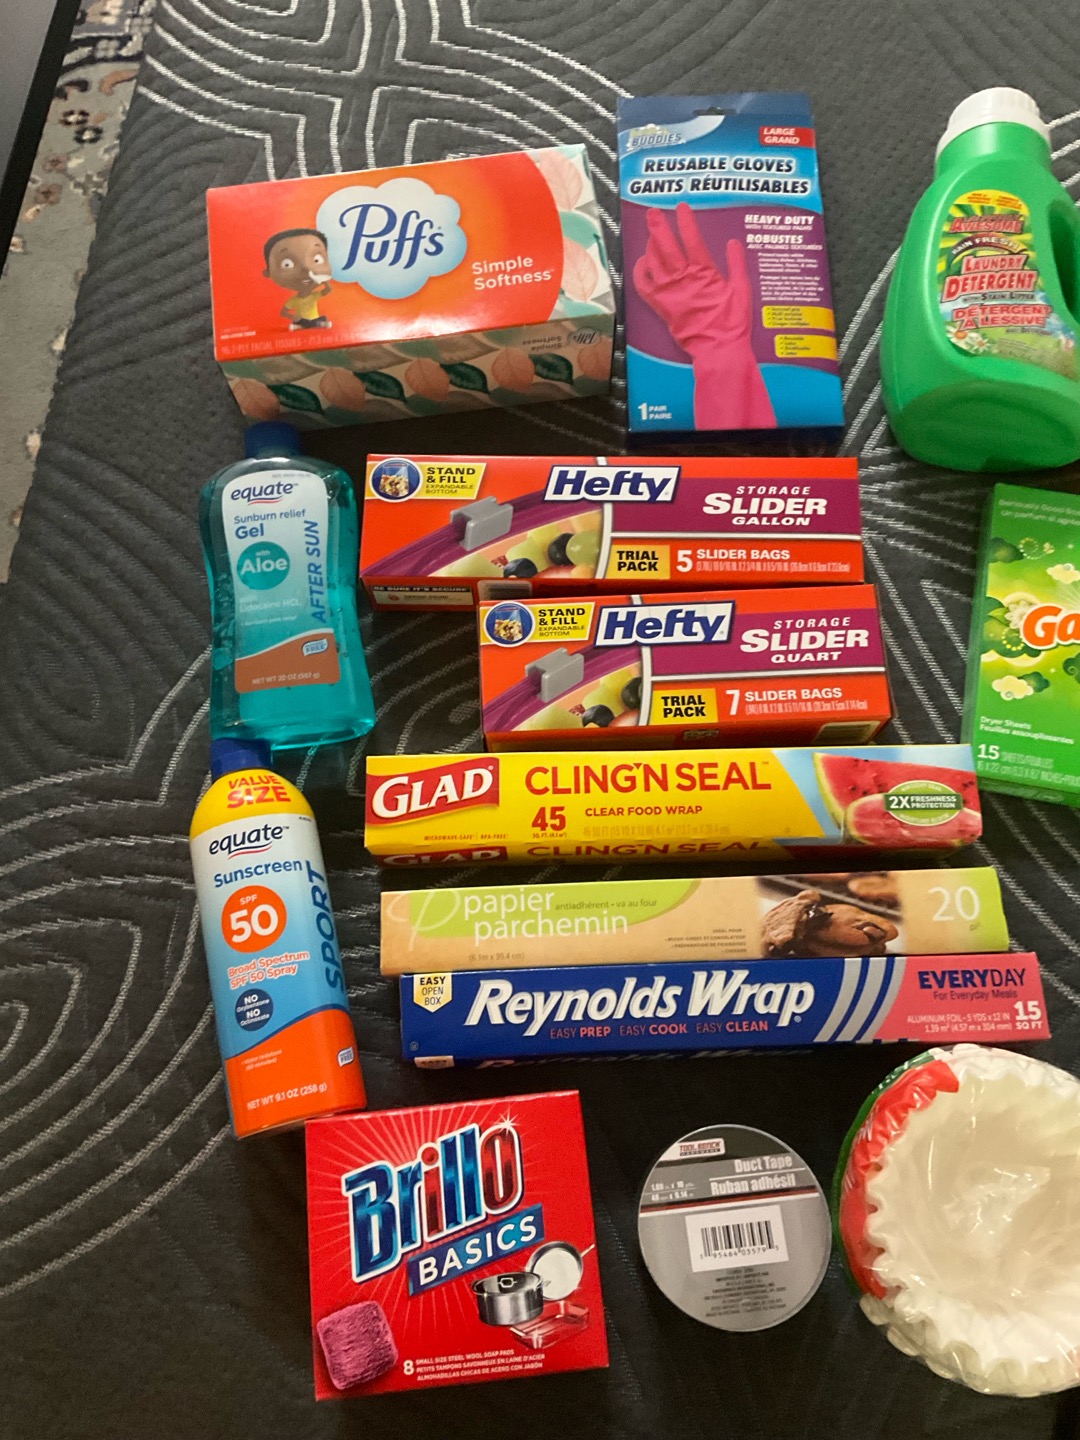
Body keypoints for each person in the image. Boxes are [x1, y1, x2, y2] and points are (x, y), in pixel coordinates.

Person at [263, 228, 333, 329]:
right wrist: (292, 316)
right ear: (268, 273)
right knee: (305, 322)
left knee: (319, 319)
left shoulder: (314, 296)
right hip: (302, 320)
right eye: (287, 264)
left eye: (316, 260)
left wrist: (325, 281)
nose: (306, 268)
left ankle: (310, 325)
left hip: (314, 319)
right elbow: (283, 312)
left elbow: (328, 290)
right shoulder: (293, 301)